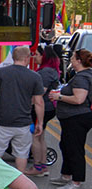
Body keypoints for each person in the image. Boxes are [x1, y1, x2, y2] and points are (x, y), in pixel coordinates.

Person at [0, 46, 45, 174]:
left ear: (13, 57)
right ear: (27, 58)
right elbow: (39, 102)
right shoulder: (35, 76)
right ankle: (19, 180)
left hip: (1, 120)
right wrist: (40, 122)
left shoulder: (0, 73)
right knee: (22, 153)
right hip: (23, 122)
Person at [50, 50, 92, 189]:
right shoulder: (82, 75)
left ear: (79, 61)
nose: (71, 60)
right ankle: (66, 175)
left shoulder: (81, 78)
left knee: (74, 149)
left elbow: (79, 99)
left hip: (77, 118)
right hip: (73, 118)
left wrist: (58, 97)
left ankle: (76, 183)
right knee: (66, 145)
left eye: (73, 58)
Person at [31, 45, 62, 176]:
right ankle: (43, 166)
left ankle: (38, 167)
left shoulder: (45, 72)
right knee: (41, 136)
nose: (35, 57)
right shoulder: (52, 70)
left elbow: (40, 92)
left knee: (35, 137)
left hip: (42, 107)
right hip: (48, 107)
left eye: (37, 54)